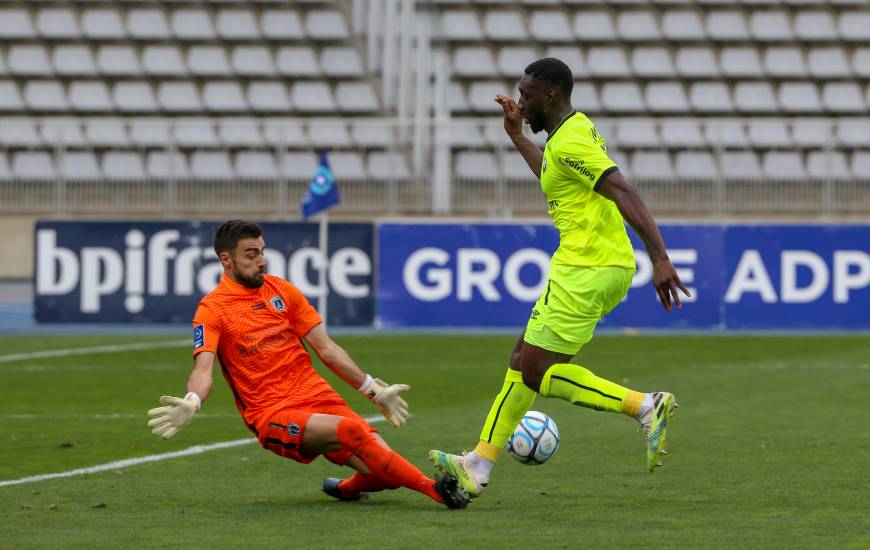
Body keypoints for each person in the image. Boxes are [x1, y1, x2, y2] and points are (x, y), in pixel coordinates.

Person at [429, 58, 690, 498]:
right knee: (521, 361)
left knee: (536, 372)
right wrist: (514, 134)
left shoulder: (571, 144)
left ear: (550, 94)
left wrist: (660, 257)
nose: (520, 103)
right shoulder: (569, 133)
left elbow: (624, 190)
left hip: (587, 268)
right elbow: (553, 172)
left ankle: (646, 405)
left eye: (526, 95)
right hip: (587, 266)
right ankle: (477, 462)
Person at [147, 220, 468, 509]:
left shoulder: (282, 291)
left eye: (262, 252)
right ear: (226, 260)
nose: (261, 260)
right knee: (356, 433)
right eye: (251, 254)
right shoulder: (212, 309)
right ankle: (435, 489)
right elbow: (203, 369)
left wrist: (373, 389)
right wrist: (192, 401)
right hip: (273, 414)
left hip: (318, 398)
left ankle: (345, 489)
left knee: (386, 471)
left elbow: (327, 349)